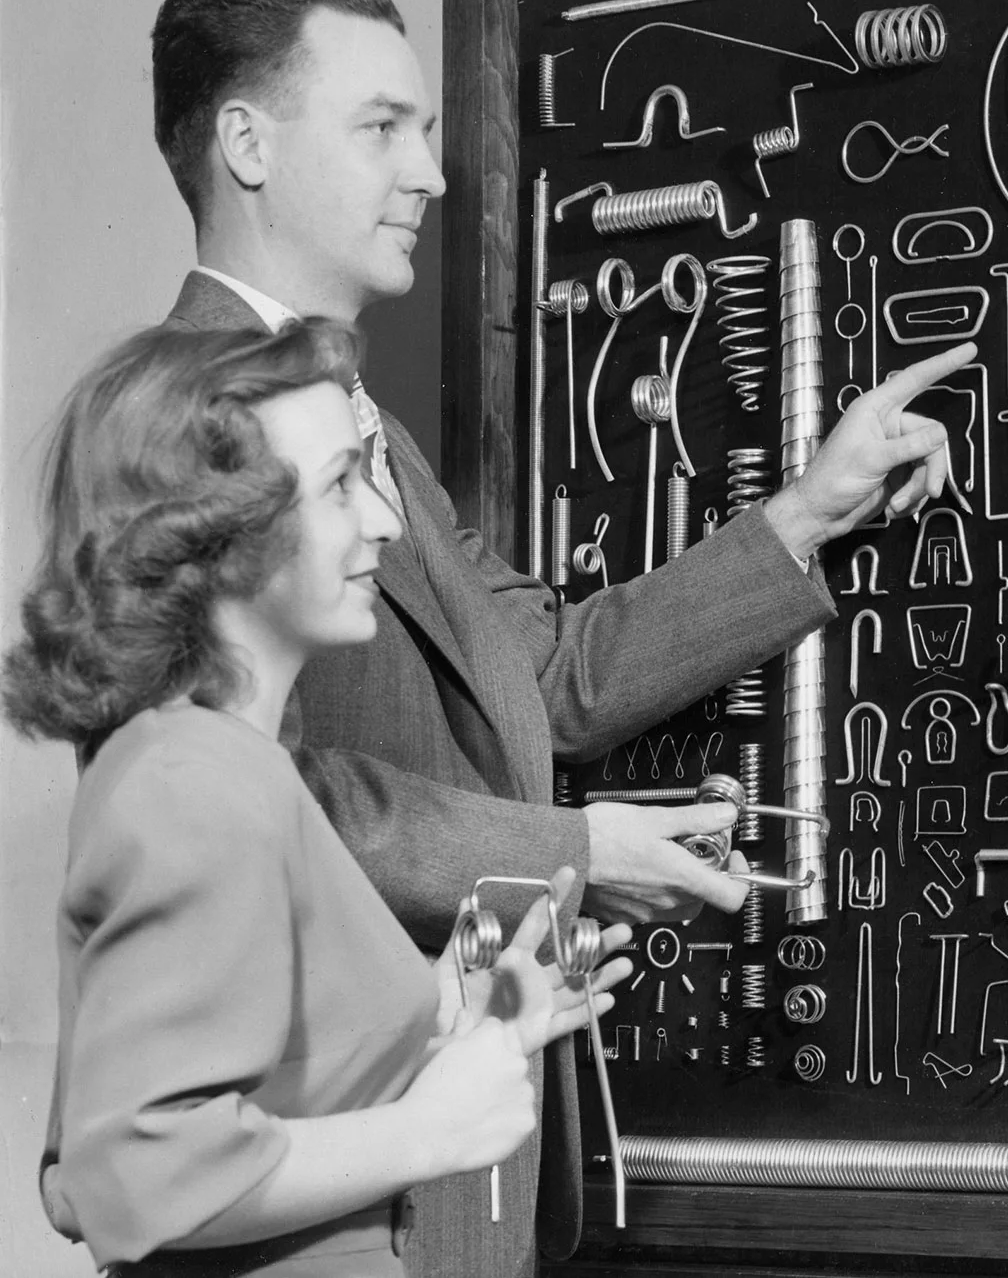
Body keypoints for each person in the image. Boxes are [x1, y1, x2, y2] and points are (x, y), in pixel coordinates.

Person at [148, 0, 974, 1273]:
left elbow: (546, 670)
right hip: (331, 1195)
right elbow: (256, 803)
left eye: (425, 128)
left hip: (465, 1157)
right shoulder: (179, 423)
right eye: (382, 129)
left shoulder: (363, 431)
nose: (429, 170)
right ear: (247, 141)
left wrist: (813, 506)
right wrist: (576, 846)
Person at [5, 318, 637, 1275]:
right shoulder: (189, 783)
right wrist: (430, 1129)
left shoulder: (224, 768)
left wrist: (443, 1017)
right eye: (341, 484)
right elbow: (124, 1175)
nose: (382, 519)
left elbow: (251, 1093)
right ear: (224, 534)